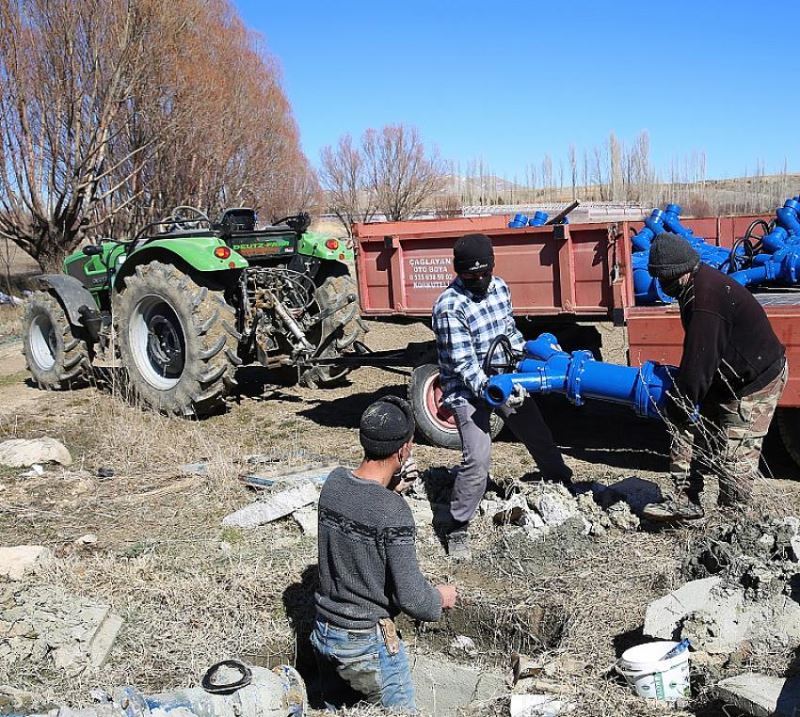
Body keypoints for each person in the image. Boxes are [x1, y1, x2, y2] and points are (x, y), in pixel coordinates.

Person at [431, 233, 572, 559]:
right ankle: (457, 527)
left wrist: (530, 362)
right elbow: (463, 364)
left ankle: (562, 482)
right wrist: (491, 390)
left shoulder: (500, 288)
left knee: (538, 433)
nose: (479, 280)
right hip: (467, 389)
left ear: (493, 267)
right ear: (458, 271)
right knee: (477, 459)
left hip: (503, 378)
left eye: (484, 273)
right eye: (470, 275)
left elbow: (510, 335)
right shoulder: (449, 306)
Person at [311, 396, 457, 712]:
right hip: (365, 644)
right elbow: (412, 598)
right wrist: (439, 599)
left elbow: (361, 507)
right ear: (403, 450)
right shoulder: (394, 512)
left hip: (324, 633)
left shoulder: (333, 483)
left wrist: (391, 490)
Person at [642, 232, 788, 522]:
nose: (661, 286)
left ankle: (733, 524)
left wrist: (683, 402)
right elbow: (700, 357)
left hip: (757, 381)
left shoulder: (706, 299)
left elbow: (700, 359)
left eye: (664, 279)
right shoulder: (692, 287)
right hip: (728, 374)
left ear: (679, 273)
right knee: (689, 425)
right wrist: (683, 406)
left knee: (735, 457)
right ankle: (685, 500)